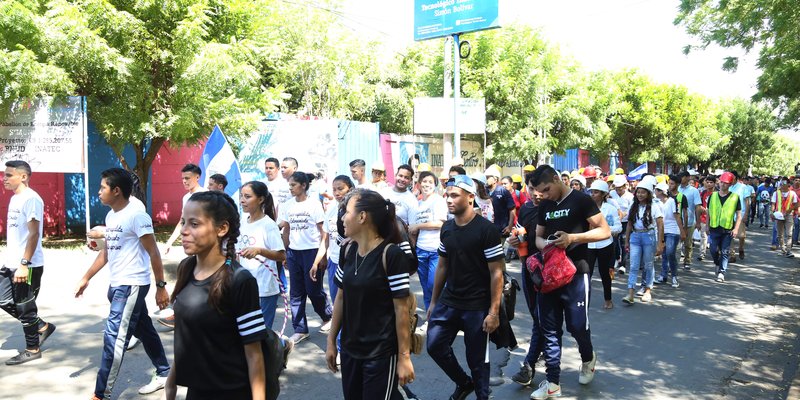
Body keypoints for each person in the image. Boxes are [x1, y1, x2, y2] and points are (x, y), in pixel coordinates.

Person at [74, 168, 171, 399]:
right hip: (118, 284)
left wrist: (161, 286)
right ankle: (164, 372)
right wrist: (86, 277)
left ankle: (101, 393)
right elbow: (107, 253)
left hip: (131, 285)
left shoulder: (137, 215)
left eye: (102, 188)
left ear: (116, 191)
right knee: (144, 329)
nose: (98, 192)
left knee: (114, 338)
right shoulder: (112, 217)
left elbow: (154, 253)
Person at [163, 191, 269, 400]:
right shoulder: (186, 268)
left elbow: (254, 355)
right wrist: (171, 382)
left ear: (222, 229)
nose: (184, 231)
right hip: (195, 391)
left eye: (194, 224)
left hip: (231, 393)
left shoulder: (240, 280)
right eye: (183, 222)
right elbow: (188, 335)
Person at [325, 189, 415, 399]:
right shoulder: (347, 251)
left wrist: (404, 357)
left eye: (346, 212)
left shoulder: (391, 255)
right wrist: (331, 342)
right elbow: (341, 297)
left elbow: (401, 310)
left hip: (380, 354)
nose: (342, 218)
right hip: (350, 350)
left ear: (363, 216)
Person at [529, 165, 610, 399]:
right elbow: (538, 238)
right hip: (549, 276)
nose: (543, 195)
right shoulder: (545, 205)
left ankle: (588, 358)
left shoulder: (581, 201)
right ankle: (552, 382)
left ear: (557, 179)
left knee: (576, 325)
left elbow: (604, 231)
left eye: (546, 189)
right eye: (540, 192)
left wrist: (572, 238)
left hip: (577, 273)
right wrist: (551, 247)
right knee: (550, 329)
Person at [426, 175, 504, 400]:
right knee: (435, 345)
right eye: (447, 195)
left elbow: (496, 272)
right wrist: (433, 301)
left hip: (477, 306)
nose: (448, 200)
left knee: (478, 361)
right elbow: (442, 266)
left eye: (454, 195)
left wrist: (493, 312)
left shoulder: (486, 230)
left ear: (470, 198)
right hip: (449, 301)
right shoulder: (447, 228)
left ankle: (481, 395)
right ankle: (463, 382)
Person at [1, 160, 56, 365]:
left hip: (28, 264)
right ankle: (42, 326)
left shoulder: (32, 199)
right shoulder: (16, 198)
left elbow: (34, 235)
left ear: (23, 176)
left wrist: (24, 263)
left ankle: (32, 348)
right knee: (4, 299)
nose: (4, 178)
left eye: (9, 175)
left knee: (25, 308)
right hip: (11, 262)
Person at [278, 171, 332, 343]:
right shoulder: (287, 205)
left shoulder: (314, 205)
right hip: (294, 253)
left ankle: (327, 315)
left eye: (293, 185)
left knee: (313, 290)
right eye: (289, 185)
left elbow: (323, 233)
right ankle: (300, 329)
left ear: (303, 185)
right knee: (296, 292)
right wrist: (285, 252)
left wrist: (321, 258)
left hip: (312, 252)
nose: (290, 188)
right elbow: (286, 230)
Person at [508, 175, 544, 386]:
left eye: (539, 189)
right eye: (531, 189)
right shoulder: (527, 208)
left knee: (544, 319)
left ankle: (530, 365)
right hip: (529, 269)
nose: (534, 194)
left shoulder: (553, 208)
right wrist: (515, 241)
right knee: (537, 318)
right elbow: (520, 236)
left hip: (551, 272)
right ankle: (538, 358)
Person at [237, 181, 286, 330]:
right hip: (246, 286)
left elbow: (281, 255)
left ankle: (275, 350)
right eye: (241, 196)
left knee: (262, 332)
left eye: (247, 196)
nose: (242, 200)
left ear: (260, 199)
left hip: (264, 287)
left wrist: (259, 251)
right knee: (246, 330)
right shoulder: (242, 222)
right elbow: (238, 252)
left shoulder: (268, 225)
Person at [409, 171, 447, 311]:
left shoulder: (438, 200)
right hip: (420, 250)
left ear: (435, 185)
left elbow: (440, 223)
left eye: (430, 182)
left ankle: (440, 316)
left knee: (434, 285)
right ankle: (431, 318)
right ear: (419, 184)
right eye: (424, 181)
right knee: (426, 287)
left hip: (436, 250)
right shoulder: (417, 203)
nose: (427, 184)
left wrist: (418, 226)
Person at [622, 178, 663, 304]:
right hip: (635, 236)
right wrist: (627, 240)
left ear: (649, 194)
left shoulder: (655, 206)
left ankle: (647, 290)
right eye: (638, 192)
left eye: (643, 192)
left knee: (648, 265)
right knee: (634, 265)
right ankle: (630, 294)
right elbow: (629, 224)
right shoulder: (633, 206)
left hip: (649, 236)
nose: (640, 195)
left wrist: (660, 243)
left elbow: (660, 225)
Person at [587, 180, 621, 309]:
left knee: (605, 273)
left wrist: (603, 230)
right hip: (589, 244)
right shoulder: (586, 208)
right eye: (591, 192)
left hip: (605, 244)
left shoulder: (610, 209)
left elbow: (618, 227)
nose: (593, 194)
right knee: (586, 273)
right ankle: (584, 299)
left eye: (596, 192)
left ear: (603, 194)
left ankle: (608, 299)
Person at [323, 175, 354, 312]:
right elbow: (325, 238)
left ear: (350, 189)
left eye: (340, 189)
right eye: (334, 189)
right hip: (334, 261)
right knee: (337, 302)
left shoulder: (356, 210)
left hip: (352, 262)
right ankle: (338, 333)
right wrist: (318, 260)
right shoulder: (330, 210)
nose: (336, 193)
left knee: (350, 303)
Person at [163, 164, 207, 255]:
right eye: (183, 178)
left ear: (197, 177)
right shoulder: (186, 197)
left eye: (187, 178)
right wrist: (169, 243)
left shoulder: (206, 195)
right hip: (191, 243)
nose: (184, 181)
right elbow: (182, 221)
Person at [707, 172, 742, 283]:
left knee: (725, 251)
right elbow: (708, 212)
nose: (723, 185)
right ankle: (717, 263)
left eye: (726, 183)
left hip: (727, 229)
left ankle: (722, 272)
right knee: (713, 250)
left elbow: (739, 215)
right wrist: (707, 226)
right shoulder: (712, 196)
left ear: (730, 184)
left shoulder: (735, 197)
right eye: (721, 182)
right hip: (714, 228)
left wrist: (736, 229)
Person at [655, 181, 686, 289]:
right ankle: (663, 275)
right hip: (660, 230)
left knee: (670, 253)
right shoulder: (656, 202)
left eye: (657, 190)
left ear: (662, 192)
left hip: (672, 230)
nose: (655, 192)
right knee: (663, 253)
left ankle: (674, 276)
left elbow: (677, 216)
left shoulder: (672, 201)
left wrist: (682, 231)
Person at [677, 171, 702, 270]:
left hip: (690, 221)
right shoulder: (676, 188)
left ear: (688, 178)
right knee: (677, 244)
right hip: (677, 220)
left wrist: (698, 221)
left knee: (688, 243)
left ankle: (687, 261)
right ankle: (675, 261)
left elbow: (697, 207)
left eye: (682, 177)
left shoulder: (694, 191)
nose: (681, 179)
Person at [610, 175, 634, 274]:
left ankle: (623, 264)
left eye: (620, 187)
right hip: (614, 222)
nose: (618, 190)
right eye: (616, 187)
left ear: (625, 186)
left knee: (624, 242)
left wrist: (622, 215)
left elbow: (630, 210)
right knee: (614, 242)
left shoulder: (630, 196)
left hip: (625, 222)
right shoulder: (611, 194)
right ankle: (617, 258)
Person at [485, 167, 516, 240]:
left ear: (495, 179)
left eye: (487, 177)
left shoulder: (503, 191)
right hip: (487, 231)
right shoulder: (484, 191)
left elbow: (512, 209)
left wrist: (510, 226)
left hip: (501, 231)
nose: (485, 179)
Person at [729, 171, 754, 262]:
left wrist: (746, 214)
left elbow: (747, 201)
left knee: (741, 236)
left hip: (740, 215)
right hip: (729, 216)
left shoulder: (743, 187)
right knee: (730, 235)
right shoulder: (727, 187)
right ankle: (732, 255)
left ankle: (741, 248)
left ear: (735, 177)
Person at [771, 178, 798, 258]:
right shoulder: (776, 193)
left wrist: (790, 210)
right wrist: (772, 213)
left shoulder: (792, 193)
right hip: (779, 216)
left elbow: (796, 204)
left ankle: (789, 251)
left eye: (784, 183)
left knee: (789, 234)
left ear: (788, 185)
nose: (782, 185)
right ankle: (783, 250)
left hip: (789, 215)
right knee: (780, 234)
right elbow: (773, 204)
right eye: (781, 183)